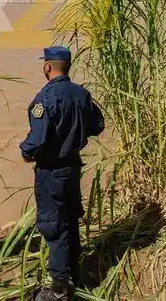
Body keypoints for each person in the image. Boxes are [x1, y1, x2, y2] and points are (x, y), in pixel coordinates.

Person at [20, 46, 105, 301]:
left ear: (48, 66)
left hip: (51, 172)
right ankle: (72, 272)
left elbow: (37, 140)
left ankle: (59, 290)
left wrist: (25, 151)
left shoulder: (45, 98)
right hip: (72, 168)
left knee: (53, 225)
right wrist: (74, 138)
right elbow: (97, 125)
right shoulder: (81, 94)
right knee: (69, 218)